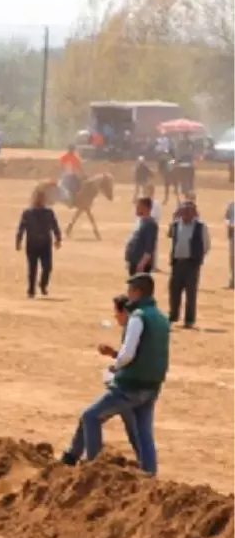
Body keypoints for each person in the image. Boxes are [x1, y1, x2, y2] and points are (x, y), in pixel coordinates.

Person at [62, 274, 167, 476]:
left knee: (90, 416)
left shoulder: (138, 316)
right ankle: (150, 475)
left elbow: (128, 354)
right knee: (144, 433)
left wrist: (116, 367)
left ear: (137, 292)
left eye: (130, 291)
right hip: (152, 386)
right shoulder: (161, 318)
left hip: (130, 385)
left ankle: (94, 469)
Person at [166, 200, 210, 329]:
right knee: (174, 290)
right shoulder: (175, 225)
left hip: (191, 264)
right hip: (177, 262)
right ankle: (173, 315)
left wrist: (198, 259)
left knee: (191, 292)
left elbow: (206, 245)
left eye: (188, 211)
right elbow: (170, 236)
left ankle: (189, 319)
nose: (185, 214)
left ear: (194, 213)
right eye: (183, 211)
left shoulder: (200, 226)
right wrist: (174, 217)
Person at [15, 188, 62, 298]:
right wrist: (18, 240)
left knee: (47, 267)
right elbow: (21, 227)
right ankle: (31, 290)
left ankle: (42, 284)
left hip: (45, 244)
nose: (39, 200)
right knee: (32, 268)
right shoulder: (27, 213)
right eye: (37, 197)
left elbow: (55, 226)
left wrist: (58, 238)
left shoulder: (49, 212)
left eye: (41, 198)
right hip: (32, 244)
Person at [126, 197, 157, 276]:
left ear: (145, 208)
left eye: (138, 206)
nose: (136, 208)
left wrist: (142, 264)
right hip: (134, 262)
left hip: (141, 265)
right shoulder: (140, 222)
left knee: (140, 287)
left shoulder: (150, 224)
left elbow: (149, 247)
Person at [225, 196, 235, 289]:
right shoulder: (231, 205)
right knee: (233, 258)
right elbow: (227, 218)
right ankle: (233, 280)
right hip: (233, 236)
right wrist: (228, 224)